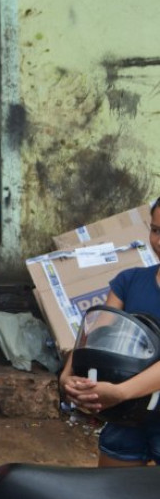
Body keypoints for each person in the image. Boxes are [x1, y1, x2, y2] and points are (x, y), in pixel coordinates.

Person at [60, 197, 160, 467]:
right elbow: (98, 337)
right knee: (113, 486)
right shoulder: (130, 281)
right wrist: (68, 376)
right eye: (155, 230)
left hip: (123, 397)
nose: (159, 241)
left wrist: (122, 392)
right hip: (125, 417)